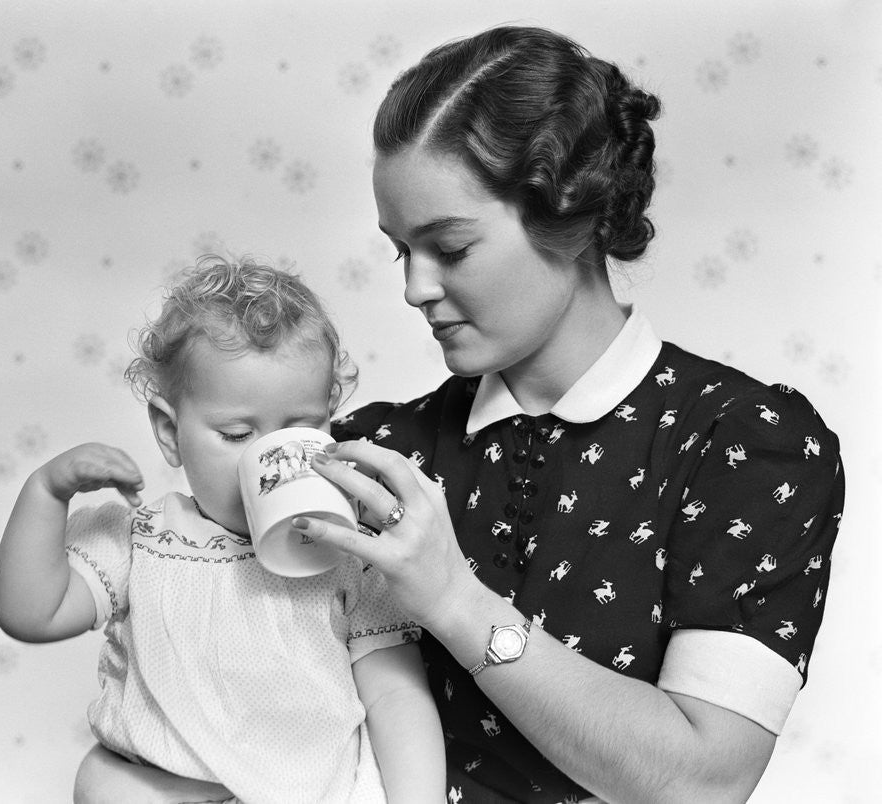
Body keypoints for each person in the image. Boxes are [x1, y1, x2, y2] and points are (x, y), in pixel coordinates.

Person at [75, 25, 844, 804]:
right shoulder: (369, 452)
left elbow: (702, 784)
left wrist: (451, 599)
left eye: (450, 246)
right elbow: (206, 689)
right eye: (399, 250)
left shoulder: (747, 445)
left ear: (570, 213)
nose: (414, 287)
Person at [0, 257, 446, 804]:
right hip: (163, 786)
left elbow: (395, 695)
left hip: (305, 793)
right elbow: (31, 614)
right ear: (170, 431)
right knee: (106, 784)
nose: (272, 457)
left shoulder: (350, 555)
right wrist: (46, 494)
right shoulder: (143, 541)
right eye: (236, 434)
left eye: (304, 429)